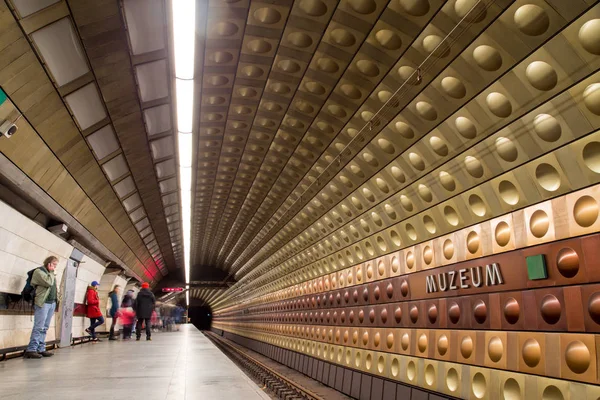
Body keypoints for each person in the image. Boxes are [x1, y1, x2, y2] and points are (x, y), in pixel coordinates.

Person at [24, 256, 59, 359]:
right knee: (39, 326)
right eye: (54, 265)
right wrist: (52, 273)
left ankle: (41, 348)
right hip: (42, 303)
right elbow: (48, 282)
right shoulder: (39, 272)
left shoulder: (50, 273)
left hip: (51, 303)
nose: (55, 267)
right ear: (49, 263)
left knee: (45, 327)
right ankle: (31, 349)